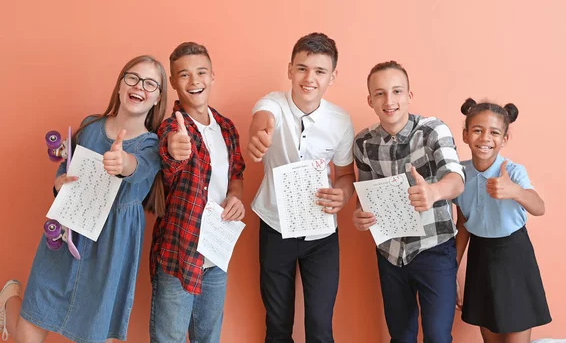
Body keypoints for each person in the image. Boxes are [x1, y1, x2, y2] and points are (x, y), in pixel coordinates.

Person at [0, 55, 168, 342]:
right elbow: (66, 170)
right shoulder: (90, 127)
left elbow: (136, 167)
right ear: (119, 85)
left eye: (150, 83)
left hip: (112, 247)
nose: (140, 85)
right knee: (29, 335)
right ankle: (9, 303)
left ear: (157, 98)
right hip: (69, 233)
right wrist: (59, 183)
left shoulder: (152, 145)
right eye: (133, 77)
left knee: (94, 332)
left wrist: (122, 162)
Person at [247, 32, 355, 342]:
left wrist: (343, 194)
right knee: (278, 323)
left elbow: (346, 175)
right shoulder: (271, 103)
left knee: (320, 326)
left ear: (332, 77)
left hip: (321, 235)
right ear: (290, 69)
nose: (310, 78)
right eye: (302, 68)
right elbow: (262, 121)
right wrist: (260, 137)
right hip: (274, 226)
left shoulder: (341, 121)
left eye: (320, 71)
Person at [352, 61, 464, 343]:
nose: (389, 101)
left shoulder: (432, 131)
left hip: (434, 249)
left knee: (438, 336)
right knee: (400, 336)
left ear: (409, 95)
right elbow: (364, 198)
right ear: (370, 100)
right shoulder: (363, 142)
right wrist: (359, 216)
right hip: (390, 253)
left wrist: (434, 192)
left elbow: (456, 179)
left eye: (397, 91)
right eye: (380, 94)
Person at [149, 42, 246, 343]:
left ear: (212, 76)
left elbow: (236, 175)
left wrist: (236, 198)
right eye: (184, 75)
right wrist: (175, 150)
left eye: (201, 72)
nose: (194, 81)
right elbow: (169, 160)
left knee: (208, 337)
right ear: (174, 83)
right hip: (179, 252)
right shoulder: (170, 129)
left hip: (216, 253)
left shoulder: (227, 128)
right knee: (170, 338)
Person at [455, 98, 551, 342]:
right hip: (481, 258)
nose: (485, 138)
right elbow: (463, 225)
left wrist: (514, 191)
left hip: (514, 257)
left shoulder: (513, 171)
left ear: (504, 139)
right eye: (477, 130)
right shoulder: (459, 174)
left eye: (494, 132)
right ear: (465, 135)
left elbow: (539, 207)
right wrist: (451, 272)